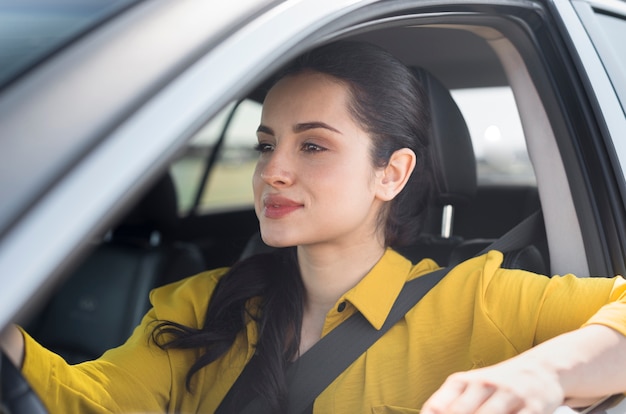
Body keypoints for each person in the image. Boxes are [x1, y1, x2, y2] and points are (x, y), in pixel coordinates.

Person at [2, 40, 626, 414]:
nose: (272, 171)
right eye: (266, 144)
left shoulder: (477, 300)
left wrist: (544, 372)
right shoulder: (204, 303)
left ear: (391, 173)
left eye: (313, 147)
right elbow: (87, 403)